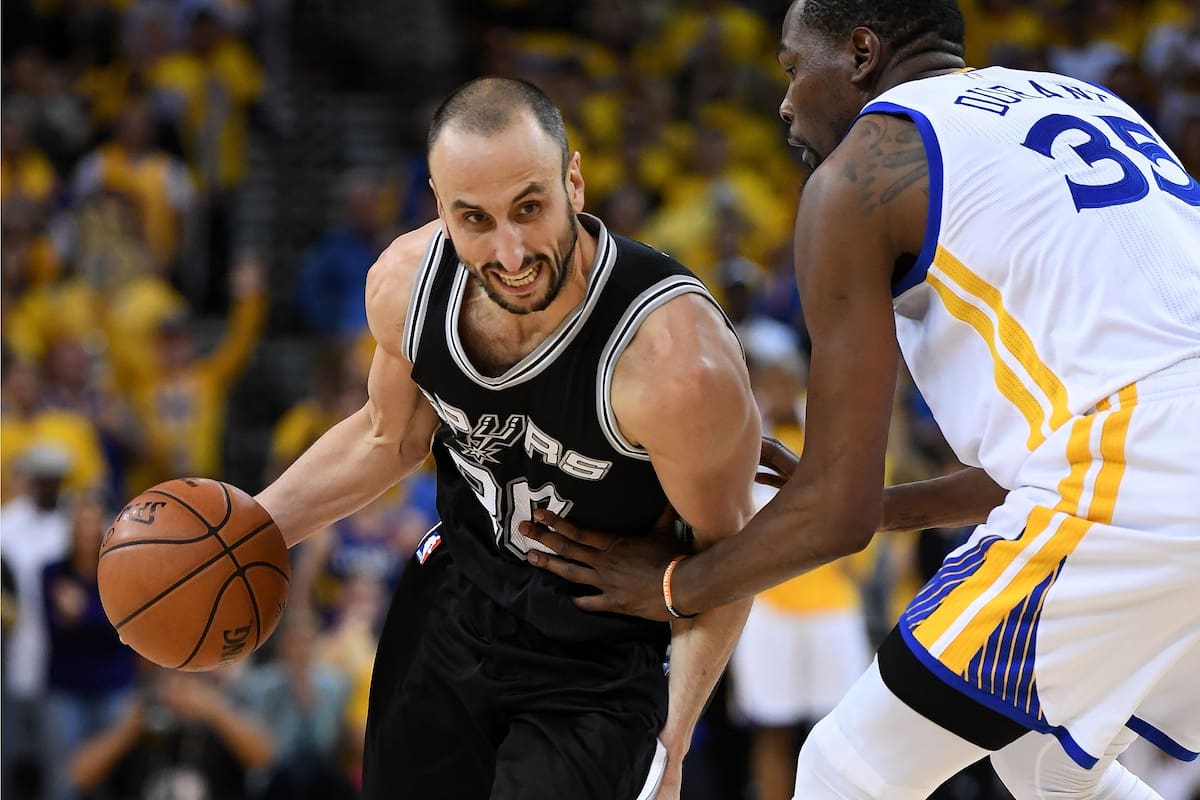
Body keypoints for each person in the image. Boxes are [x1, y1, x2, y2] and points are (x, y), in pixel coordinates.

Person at [519, 2, 1200, 799]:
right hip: (1146, 473)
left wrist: (672, 587)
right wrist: (879, 504)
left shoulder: (860, 175)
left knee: (847, 769)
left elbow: (833, 517)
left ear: (861, 54)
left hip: (1135, 485)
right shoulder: (1081, 103)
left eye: (791, 67)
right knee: (1041, 762)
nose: (784, 101)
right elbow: (1091, 425)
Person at [253, 76, 761, 799]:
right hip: (454, 600)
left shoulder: (677, 366)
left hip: (597, 655)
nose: (513, 252)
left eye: (530, 208)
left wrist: (672, 744)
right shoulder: (404, 287)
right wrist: (247, 532)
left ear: (574, 184)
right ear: (440, 209)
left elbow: (729, 556)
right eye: (476, 220)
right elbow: (385, 439)